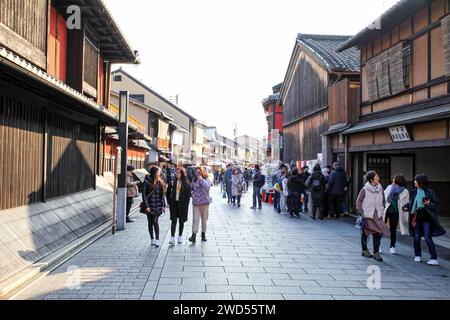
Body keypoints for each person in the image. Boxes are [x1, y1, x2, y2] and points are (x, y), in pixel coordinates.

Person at [404, 174, 446, 266]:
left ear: (420, 182)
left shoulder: (429, 192)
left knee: (427, 237)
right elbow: (411, 202)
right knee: (416, 237)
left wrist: (428, 204)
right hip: (416, 217)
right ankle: (417, 255)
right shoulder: (415, 191)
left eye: (416, 180)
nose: (414, 182)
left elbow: (435, 204)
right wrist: (406, 206)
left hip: (427, 218)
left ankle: (434, 258)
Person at [356, 171, 389, 262]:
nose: (378, 178)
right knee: (365, 232)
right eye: (376, 176)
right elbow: (359, 201)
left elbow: (383, 199)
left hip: (378, 214)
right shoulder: (364, 189)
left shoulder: (380, 188)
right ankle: (364, 250)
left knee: (378, 232)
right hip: (368, 214)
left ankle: (376, 252)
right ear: (371, 179)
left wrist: (383, 207)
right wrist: (360, 211)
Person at [383, 174, 410, 254]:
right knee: (381, 228)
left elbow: (406, 204)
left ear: (398, 180)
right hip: (387, 210)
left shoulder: (405, 191)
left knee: (393, 230)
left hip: (396, 212)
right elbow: (384, 197)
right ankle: (378, 246)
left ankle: (392, 246)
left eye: (394, 179)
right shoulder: (390, 187)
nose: (393, 180)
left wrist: (405, 215)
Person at [143, 166, 166, 247]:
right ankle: (152, 238)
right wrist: (147, 206)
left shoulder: (160, 182)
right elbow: (144, 195)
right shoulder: (146, 181)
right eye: (158, 172)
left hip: (158, 205)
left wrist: (163, 205)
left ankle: (157, 239)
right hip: (149, 205)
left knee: (155, 222)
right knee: (150, 222)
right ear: (154, 172)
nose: (160, 173)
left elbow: (162, 195)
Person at [167, 167, 191, 245]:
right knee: (173, 221)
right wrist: (169, 202)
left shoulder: (186, 183)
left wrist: (186, 205)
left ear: (182, 174)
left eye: (178, 172)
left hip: (182, 204)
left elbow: (188, 196)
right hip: (174, 204)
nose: (176, 174)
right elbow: (167, 193)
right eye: (176, 172)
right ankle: (172, 238)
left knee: (181, 221)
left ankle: (180, 236)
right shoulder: (172, 182)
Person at [189, 167, 212, 243]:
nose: (197, 174)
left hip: (204, 202)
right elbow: (191, 188)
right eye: (196, 172)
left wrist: (201, 179)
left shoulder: (206, 180)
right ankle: (193, 235)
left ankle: (203, 234)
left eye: (199, 172)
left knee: (204, 219)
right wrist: (192, 193)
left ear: (202, 173)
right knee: (195, 219)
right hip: (196, 202)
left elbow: (207, 187)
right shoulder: (194, 180)